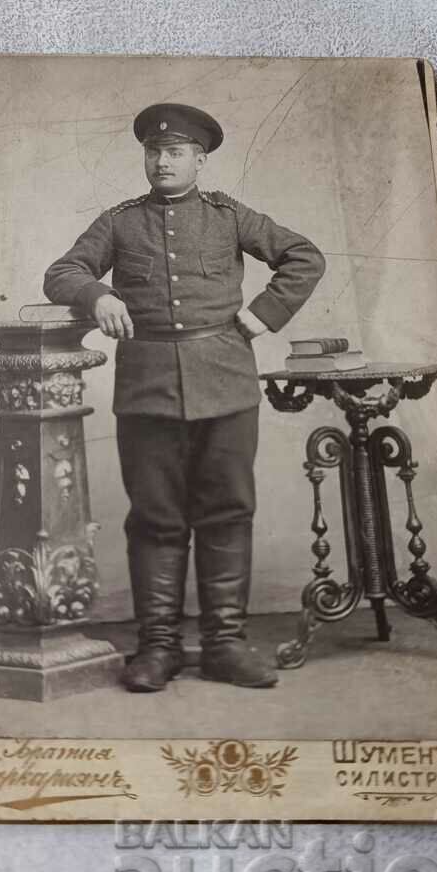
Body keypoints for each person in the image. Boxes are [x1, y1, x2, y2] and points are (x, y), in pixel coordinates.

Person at [43, 102, 325, 692]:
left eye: (174, 153)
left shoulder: (227, 217)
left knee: (227, 512)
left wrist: (261, 316)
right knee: (155, 519)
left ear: (199, 160)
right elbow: (62, 272)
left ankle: (225, 644)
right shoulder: (120, 222)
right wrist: (97, 295)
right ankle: (159, 648)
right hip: (146, 390)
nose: (162, 161)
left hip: (226, 382)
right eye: (153, 152)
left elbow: (304, 256)